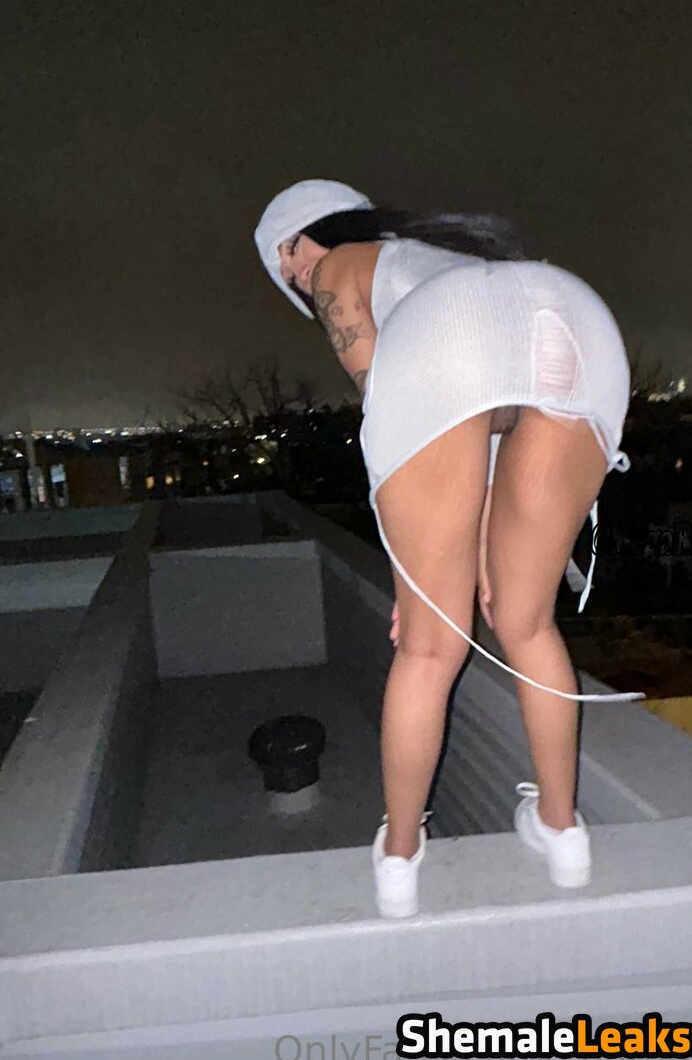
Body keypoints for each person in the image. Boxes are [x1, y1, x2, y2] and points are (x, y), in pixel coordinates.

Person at [254, 179, 643, 919]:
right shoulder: (438, 258)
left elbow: (393, 410)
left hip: (451, 347)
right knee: (527, 622)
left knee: (430, 650)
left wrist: (417, 574)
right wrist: (480, 551)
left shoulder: (338, 268)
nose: (296, 276)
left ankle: (400, 856)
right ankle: (563, 831)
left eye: (289, 259)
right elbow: (486, 412)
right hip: (574, 319)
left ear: (309, 236)